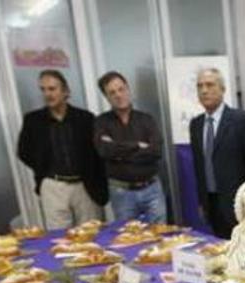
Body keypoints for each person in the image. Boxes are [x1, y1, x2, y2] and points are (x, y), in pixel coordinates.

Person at [18, 70, 107, 229]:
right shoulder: (33, 120)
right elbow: (23, 151)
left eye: (52, 89)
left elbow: (97, 153)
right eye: (43, 89)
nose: (47, 94)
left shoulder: (85, 118)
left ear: (65, 91)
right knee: (59, 237)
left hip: (84, 185)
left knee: (91, 233)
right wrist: (44, 170)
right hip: (53, 185)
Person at [190, 68, 245, 239]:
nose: (204, 90)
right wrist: (202, 202)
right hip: (212, 204)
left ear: (223, 89)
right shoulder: (196, 125)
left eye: (210, 85)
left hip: (240, 206)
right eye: (199, 86)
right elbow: (199, 167)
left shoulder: (242, 120)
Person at [94, 71, 167, 224]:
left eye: (121, 89)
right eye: (112, 92)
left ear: (128, 89)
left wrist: (119, 151)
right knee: (128, 240)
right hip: (121, 193)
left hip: (152, 189)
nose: (118, 95)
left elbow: (155, 152)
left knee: (160, 238)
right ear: (107, 97)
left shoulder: (146, 119)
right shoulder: (101, 122)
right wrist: (137, 145)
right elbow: (104, 151)